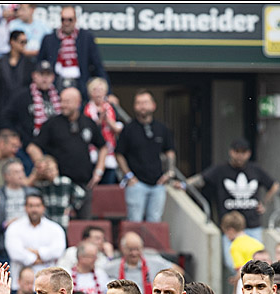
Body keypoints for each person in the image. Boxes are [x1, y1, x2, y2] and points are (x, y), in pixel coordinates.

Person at [27, 88, 107, 218]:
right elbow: (33, 147)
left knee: (84, 224)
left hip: (84, 183)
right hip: (59, 185)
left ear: (78, 102)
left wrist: (99, 171)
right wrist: (43, 165)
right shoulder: (52, 123)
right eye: (61, 101)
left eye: (67, 102)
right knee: (58, 222)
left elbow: (103, 147)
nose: (63, 105)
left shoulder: (88, 122)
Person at [189, 139, 279, 232]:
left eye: (243, 152)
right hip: (229, 228)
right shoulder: (221, 169)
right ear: (231, 152)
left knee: (256, 247)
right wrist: (184, 184)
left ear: (248, 153)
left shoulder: (255, 169)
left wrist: (264, 203)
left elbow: (274, 185)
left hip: (252, 226)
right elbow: (202, 179)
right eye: (237, 152)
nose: (240, 156)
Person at [115, 89, 175, 223]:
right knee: (134, 221)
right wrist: (129, 176)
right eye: (139, 103)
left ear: (153, 105)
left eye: (145, 102)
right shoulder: (128, 129)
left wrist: (169, 173)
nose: (142, 106)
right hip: (136, 184)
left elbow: (169, 150)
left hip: (158, 184)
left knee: (155, 221)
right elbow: (119, 154)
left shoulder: (162, 128)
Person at [37, 5, 107, 96]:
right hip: (55, 86)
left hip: (80, 85)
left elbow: (97, 65)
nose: (66, 23)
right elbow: (40, 64)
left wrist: (108, 93)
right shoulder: (49, 39)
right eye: (63, 20)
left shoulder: (86, 38)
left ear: (75, 20)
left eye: (70, 20)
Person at [104, 231, 174, 294]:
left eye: (137, 249)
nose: (134, 253)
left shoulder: (155, 262)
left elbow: (178, 271)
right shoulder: (111, 267)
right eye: (130, 249)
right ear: (123, 249)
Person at [1, 60, 61, 156]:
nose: (45, 78)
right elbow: (6, 118)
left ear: (53, 77)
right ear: (34, 76)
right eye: (41, 74)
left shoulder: (59, 96)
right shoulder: (22, 95)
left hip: (53, 145)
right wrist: (22, 140)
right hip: (27, 145)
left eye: (48, 75)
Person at [3, 192, 66, 276]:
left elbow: (58, 251)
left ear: (43, 207)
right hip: (20, 283)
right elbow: (15, 253)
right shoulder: (14, 227)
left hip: (48, 281)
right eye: (31, 206)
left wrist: (37, 252)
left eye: (38, 206)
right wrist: (41, 258)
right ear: (25, 208)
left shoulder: (55, 228)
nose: (34, 210)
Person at [0, 159, 30, 260]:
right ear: (6, 176)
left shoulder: (32, 193)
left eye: (22, 171)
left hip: (30, 241)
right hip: (5, 243)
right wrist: (5, 225)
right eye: (16, 172)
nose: (21, 175)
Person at [28, 155, 85, 229]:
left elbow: (81, 194)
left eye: (53, 169)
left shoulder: (64, 181)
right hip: (46, 220)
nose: (51, 173)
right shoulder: (40, 185)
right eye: (48, 170)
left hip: (61, 219)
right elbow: (28, 187)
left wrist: (71, 207)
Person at [82, 77, 121, 185]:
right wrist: (99, 119)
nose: (98, 93)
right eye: (95, 90)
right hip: (92, 151)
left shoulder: (111, 108)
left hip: (110, 151)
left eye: (101, 90)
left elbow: (118, 129)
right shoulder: (86, 109)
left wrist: (107, 119)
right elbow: (88, 129)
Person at [0, 29, 33, 120]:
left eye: (26, 42)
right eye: (22, 42)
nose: (24, 45)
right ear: (12, 42)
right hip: (2, 106)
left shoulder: (29, 64)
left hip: (22, 107)